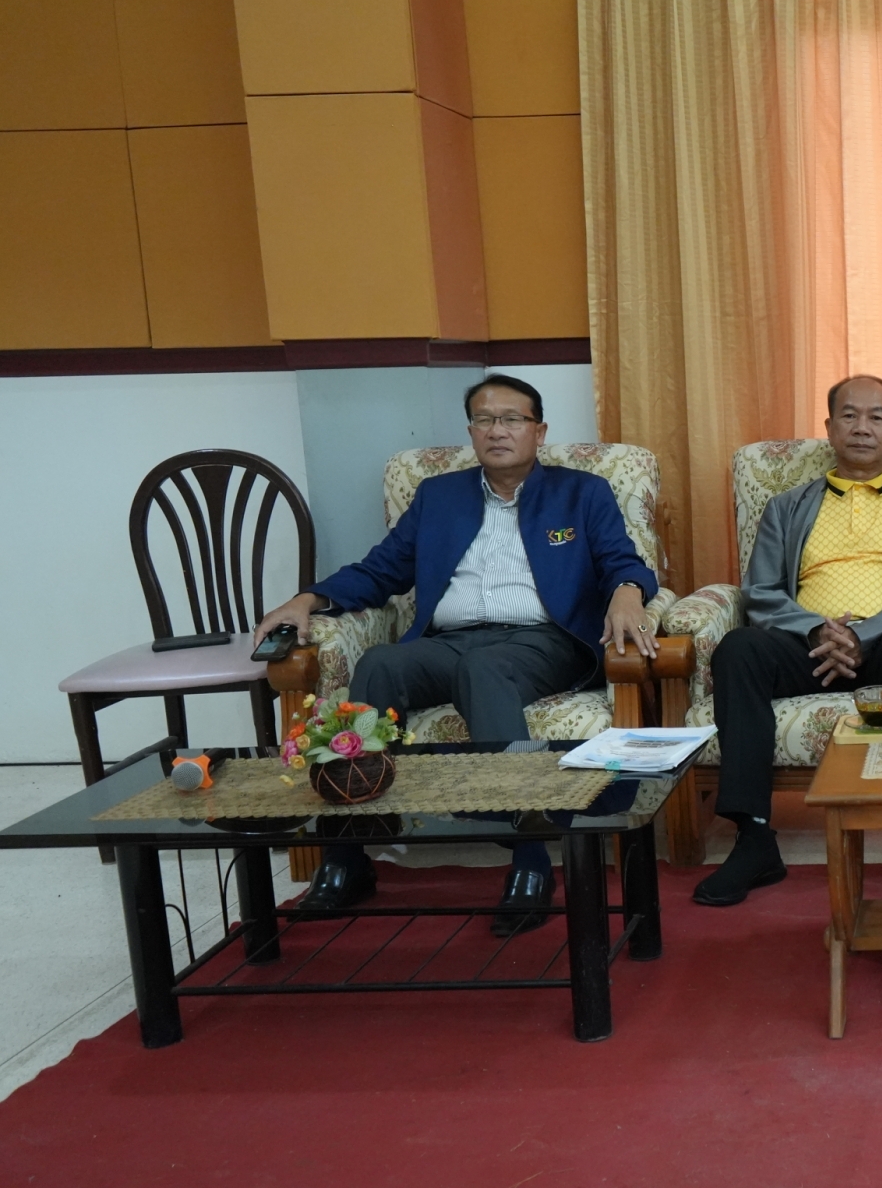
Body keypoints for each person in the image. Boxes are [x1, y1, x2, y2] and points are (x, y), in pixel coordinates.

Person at [254, 373, 661, 934]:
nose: (498, 430)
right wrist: (307, 599)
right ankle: (348, 852)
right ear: (471, 432)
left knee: (484, 668)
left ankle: (531, 857)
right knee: (380, 664)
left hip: (543, 641)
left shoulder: (581, 492)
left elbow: (623, 560)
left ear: (539, 431)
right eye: (484, 420)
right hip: (450, 641)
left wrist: (627, 591)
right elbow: (381, 571)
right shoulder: (438, 497)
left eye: (512, 419)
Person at [693, 375, 882, 907]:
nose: (862, 427)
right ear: (828, 427)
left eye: (876, 417)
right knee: (739, 649)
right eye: (849, 415)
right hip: (808, 645)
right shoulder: (786, 507)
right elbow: (761, 591)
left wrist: (864, 634)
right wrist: (819, 631)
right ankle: (754, 840)